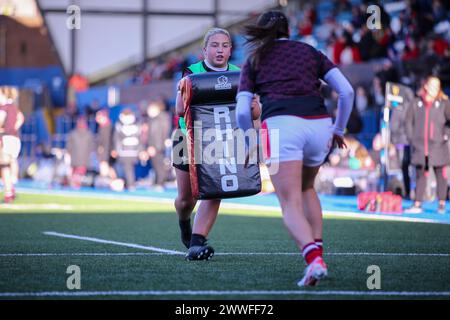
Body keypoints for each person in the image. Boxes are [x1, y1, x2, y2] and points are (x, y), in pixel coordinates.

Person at [236, 11, 354, 286]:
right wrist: (338, 129)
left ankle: (314, 260)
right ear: (289, 29)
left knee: (289, 202)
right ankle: (318, 258)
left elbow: (243, 112)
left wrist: (250, 139)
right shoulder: (310, 51)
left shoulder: (254, 60)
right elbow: (347, 91)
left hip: (281, 126)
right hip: (319, 125)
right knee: (306, 188)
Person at [173, 27, 260, 260]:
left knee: (214, 191)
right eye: (215, 45)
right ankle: (184, 222)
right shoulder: (191, 73)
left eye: (225, 45)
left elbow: (255, 112)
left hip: (221, 141)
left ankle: (196, 244)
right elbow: (179, 110)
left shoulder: (240, 74)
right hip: (187, 138)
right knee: (185, 199)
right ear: (204, 50)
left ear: (231, 50)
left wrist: (253, 108)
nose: (220, 50)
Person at [405, 76, 450, 214]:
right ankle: (417, 204)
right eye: (431, 85)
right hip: (419, 146)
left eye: (437, 86)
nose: (434, 89)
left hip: (438, 146)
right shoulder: (416, 102)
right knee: (420, 175)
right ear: (426, 86)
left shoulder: (444, 103)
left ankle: (441, 204)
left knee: (440, 175)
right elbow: (408, 122)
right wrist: (412, 138)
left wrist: (446, 135)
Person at [0, 86, 25, 203]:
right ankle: (12, 183)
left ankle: (9, 191)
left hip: (6, 137)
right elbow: (21, 118)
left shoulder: (3, 107)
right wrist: (14, 128)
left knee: (4, 165)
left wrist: (5, 129)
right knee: (12, 161)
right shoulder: (14, 107)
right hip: (14, 138)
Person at [144, 100, 171, 191]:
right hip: (154, 146)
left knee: (159, 165)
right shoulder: (153, 119)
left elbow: (160, 135)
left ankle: (160, 183)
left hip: (158, 147)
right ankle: (156, 182)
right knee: (155, 165)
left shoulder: (161, 119)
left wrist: (155, 147)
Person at [66, 116, 96, 189]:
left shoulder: (72, 134)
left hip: (75, 160)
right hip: (85, 161)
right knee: (80, 177)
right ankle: (77, 187)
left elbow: (68, 148)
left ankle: (75, 187)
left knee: (75, 176)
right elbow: (92, 148)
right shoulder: (89, 134)